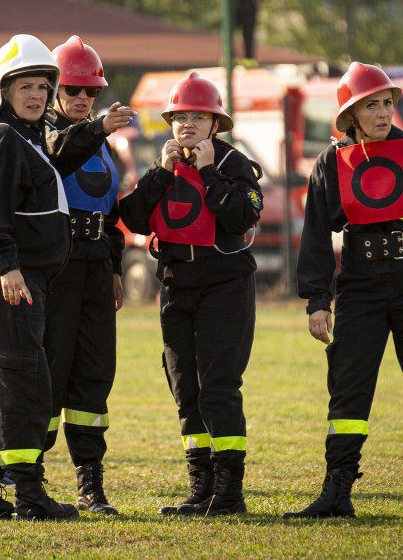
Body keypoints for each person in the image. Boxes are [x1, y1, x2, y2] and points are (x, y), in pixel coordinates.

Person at [285, 62, 403, 521]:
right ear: (351, 114)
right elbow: (314, 238)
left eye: (388, 103)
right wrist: (317, 301)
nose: (383, 112)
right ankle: (337, 492)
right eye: (372, 105)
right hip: (360, 285)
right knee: (347, 390)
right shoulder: (331, 162)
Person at [0, 34, 123, 521]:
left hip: (25, 278)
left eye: (41, 86)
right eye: (24, 86)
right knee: (25, 387)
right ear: (2, 91)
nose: (35, 94)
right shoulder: (3, 138)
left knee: (11, 385)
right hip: (6, 279)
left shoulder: (25, 137)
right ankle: (30, 495)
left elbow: (62, 157)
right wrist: (8, 267)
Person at [119, 71, 263, 517]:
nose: (187, 126)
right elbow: (135, 218)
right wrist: (163, 174)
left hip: (225, 287)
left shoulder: (234, 164)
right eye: (180, 117)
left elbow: (241, 215)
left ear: (215, 123)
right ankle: (200, 486)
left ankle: (230, 493)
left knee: (219, 388)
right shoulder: (163, 167)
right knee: (185, 388)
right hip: (177, 286)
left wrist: (206, 172)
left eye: (198, 117)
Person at [41, 36, 129, 515]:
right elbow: (60, 155)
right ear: (55, 89)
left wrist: (115, 268)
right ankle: (27, 476)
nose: (82, 99)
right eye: (73, 89)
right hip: (58, 266)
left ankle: (90, 484)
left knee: (94, 375)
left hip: (95, 263)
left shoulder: (99, 142)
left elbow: (111, 213)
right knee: (51, 371)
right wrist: (95, 126)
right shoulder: (49, 133)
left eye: (91, 92)